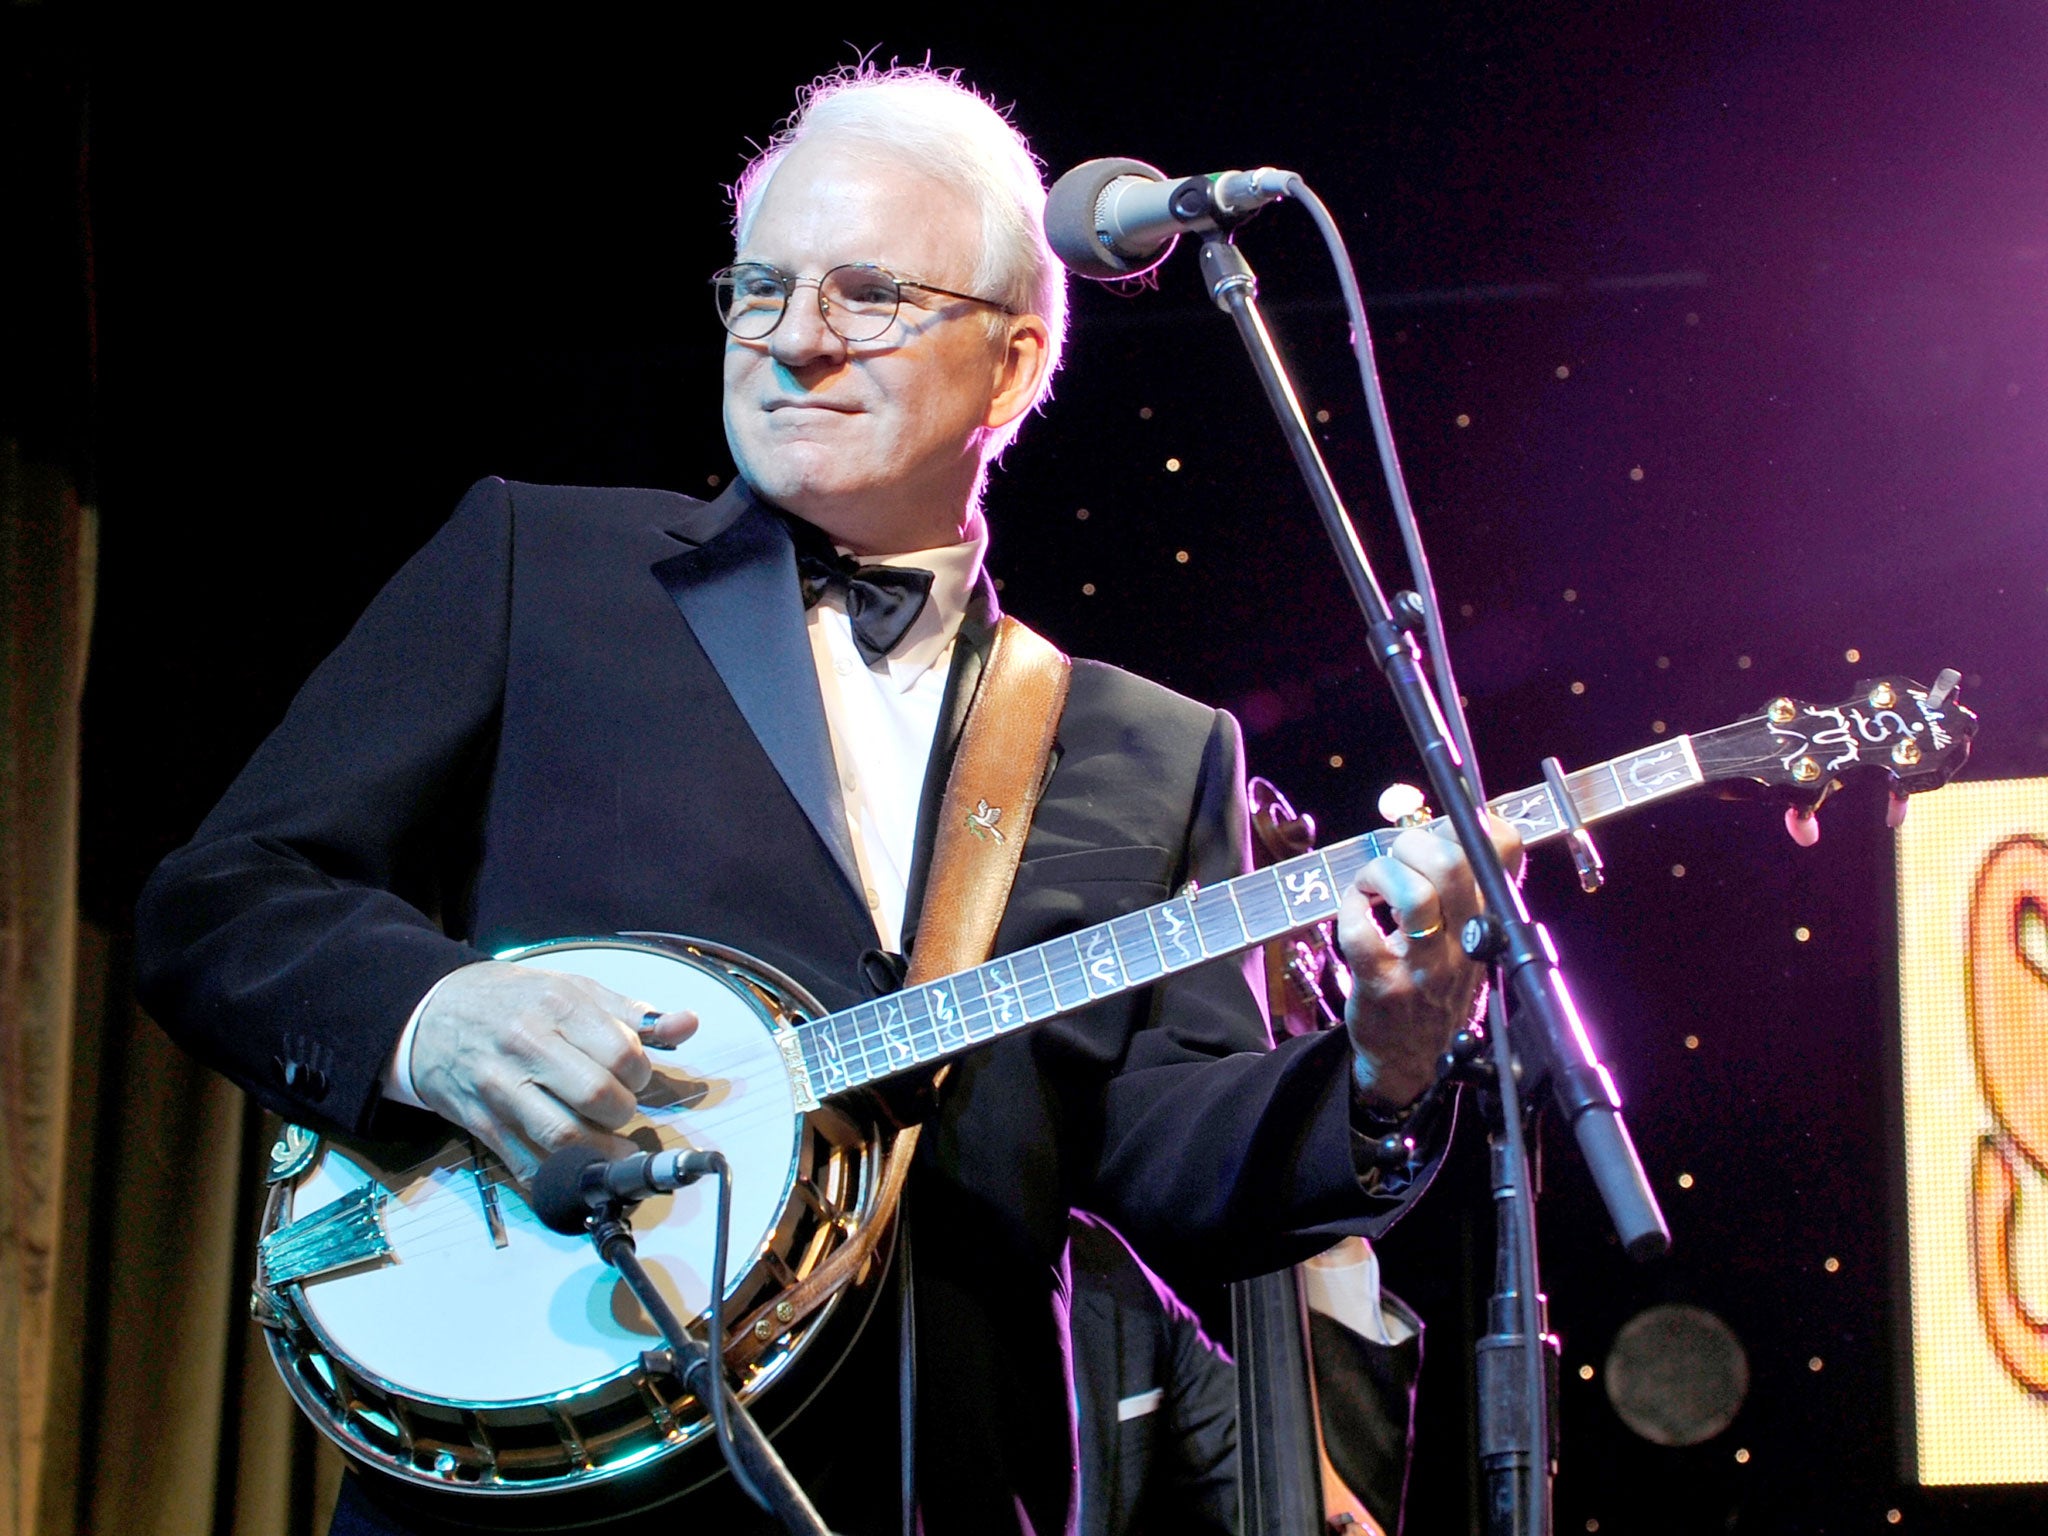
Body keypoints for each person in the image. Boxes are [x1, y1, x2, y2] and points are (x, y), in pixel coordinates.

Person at [135, 66, 1517, 1535]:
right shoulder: (541, 564)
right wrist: (437, 1023)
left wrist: (1389, 1065)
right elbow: (221, 903)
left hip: (939, 1489)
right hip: (547, 1484)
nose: (796, 341)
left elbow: (1177, 1166)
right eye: (760, 289)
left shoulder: (1152, 745)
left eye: (868, 294)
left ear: (1011, 363)